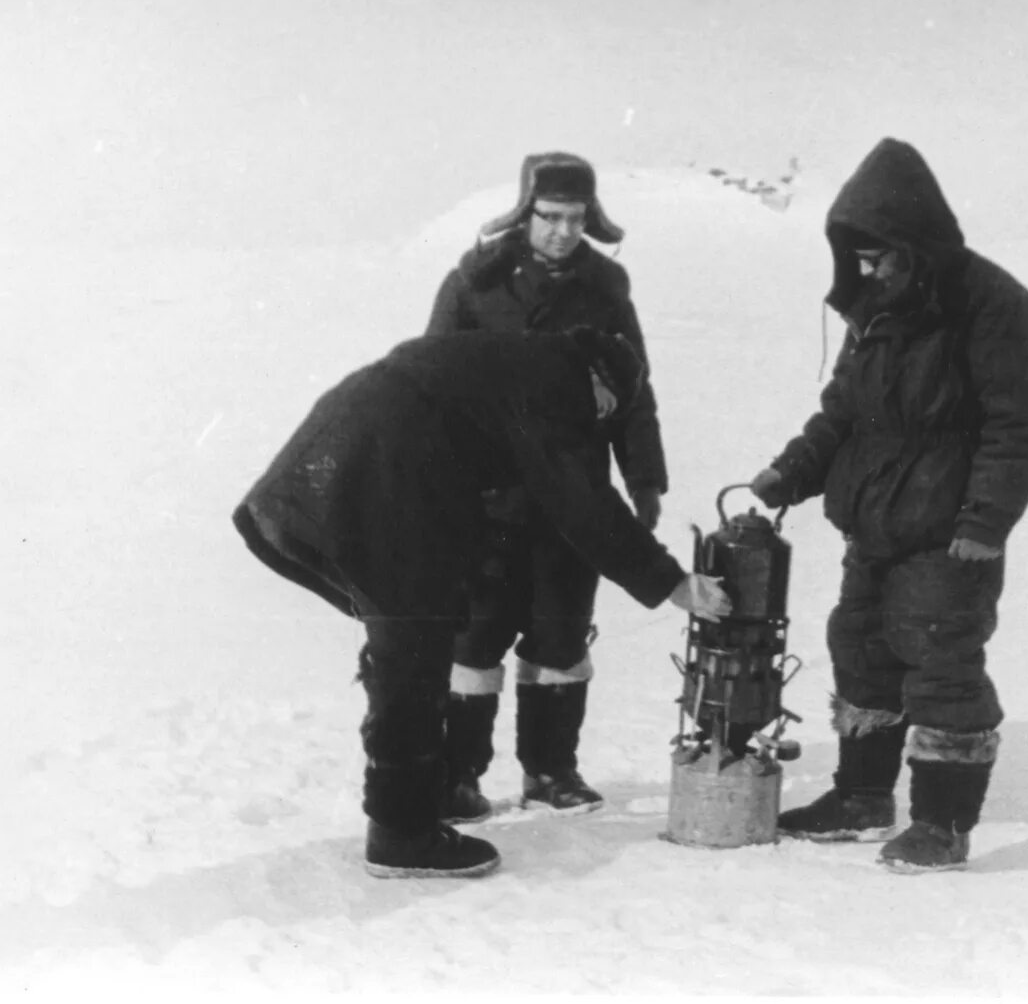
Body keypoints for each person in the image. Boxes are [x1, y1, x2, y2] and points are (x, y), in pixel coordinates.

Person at [232, 326, 730, 878]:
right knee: (412, 647)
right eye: (605, 405)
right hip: (381, 472)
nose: (597, 421)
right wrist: (673, 585)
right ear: (595, 376)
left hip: (333, 466)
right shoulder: (555, 376)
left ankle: (423, 801)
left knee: (412, 637)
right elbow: (583, 500)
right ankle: (402, 834)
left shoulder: (517, 359)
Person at [748, 138, 1028, 873]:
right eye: (855, 255)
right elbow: (844, 412)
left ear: (915, 244)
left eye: (878, 253)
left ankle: (943, 824)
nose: (866, 268)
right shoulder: (878, 311)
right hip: (877, 521)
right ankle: (861, 796)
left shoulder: (990, 303)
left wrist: (986, 522)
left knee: (940, 661)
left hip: (949, 531)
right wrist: (791, 472)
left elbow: (1021, 422)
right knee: (860, 646)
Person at [423, 152, 667, 821]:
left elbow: (634, 391)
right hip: (487, 495)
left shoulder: (606, 286)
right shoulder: (476, 282)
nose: (563, 231)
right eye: (550, 216)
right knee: (474, 637)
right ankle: (456, 777)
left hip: (574, 497)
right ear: (525, 212)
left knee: (560, 636)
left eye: (576, 217)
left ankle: (551, 772)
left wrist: (644, 479)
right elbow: (430, 385)